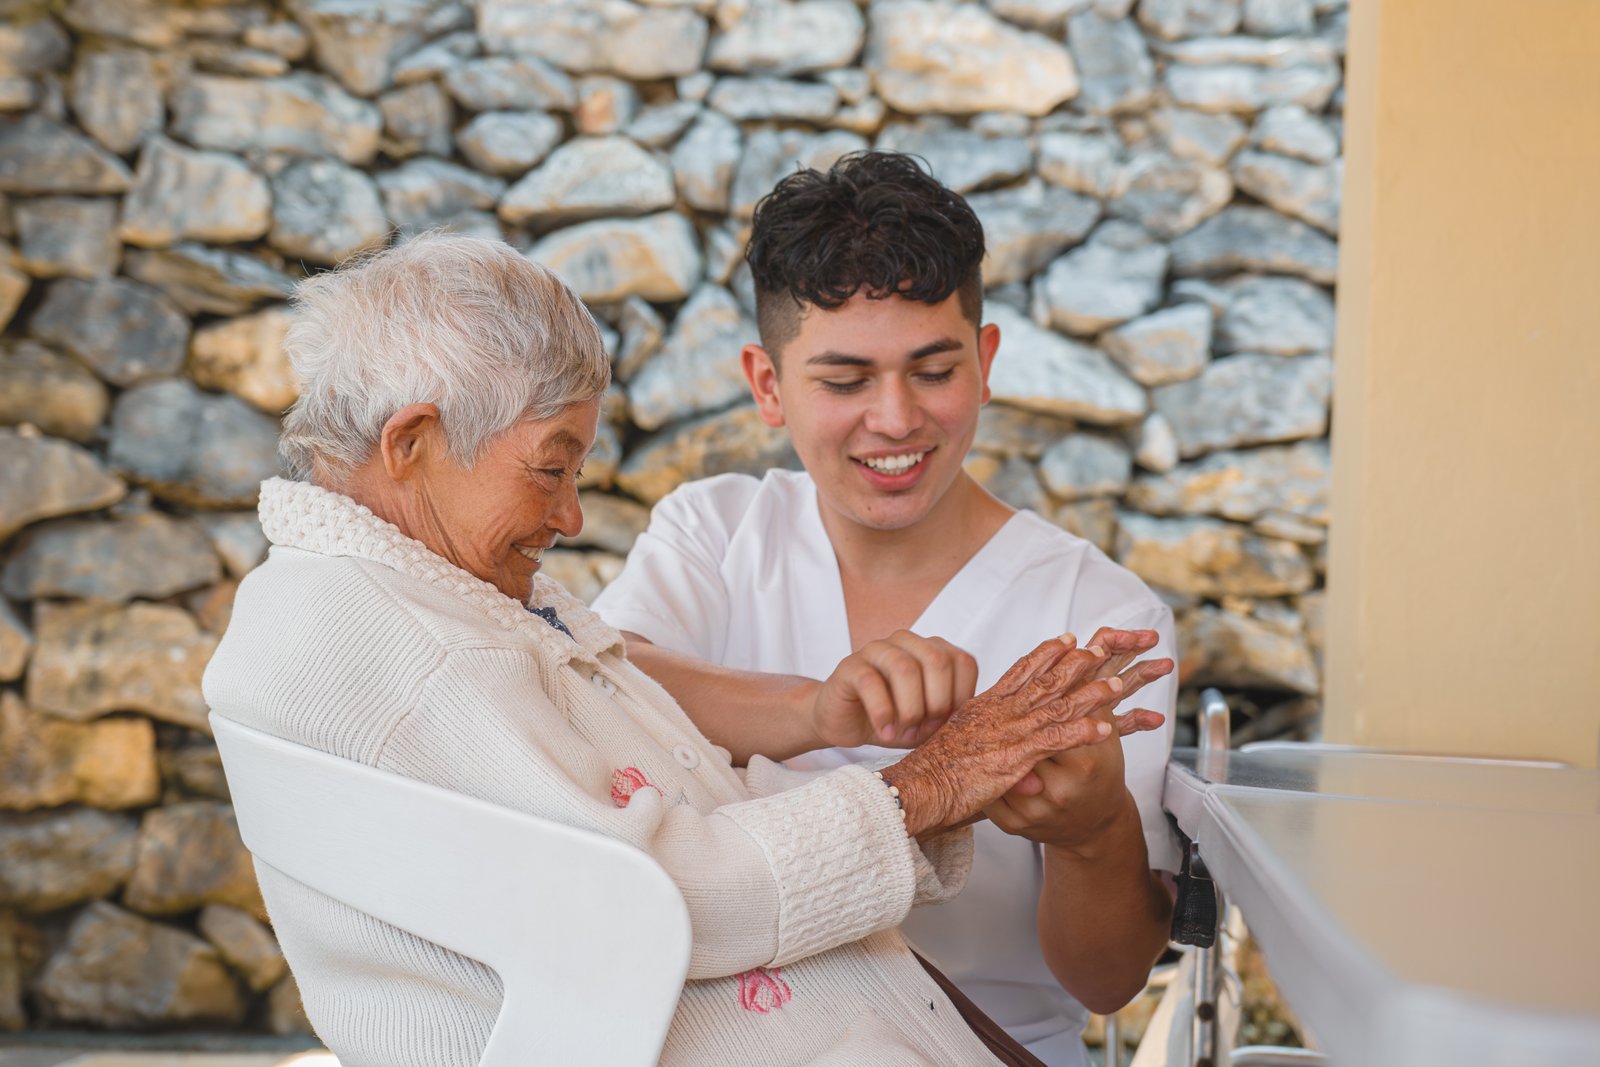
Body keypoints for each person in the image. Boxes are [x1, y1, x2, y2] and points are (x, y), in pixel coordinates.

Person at [201, 232, 1173, 1067]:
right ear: (410, 440)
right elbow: (662, 895)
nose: (572, 516)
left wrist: (1056, 814)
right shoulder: (424, 647)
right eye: (550, 468)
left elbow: (620, 718)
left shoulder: (410, 600)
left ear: (986, 359)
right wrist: (932, 779)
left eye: (932, 368)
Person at [592, 152, 1180, 1065]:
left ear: (984, 363)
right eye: (844, 380)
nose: (897, 418)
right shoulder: (712, 533)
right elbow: (602, 686)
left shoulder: (1093, 608)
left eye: (933, 369)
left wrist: (1093, 832)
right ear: (767, 384)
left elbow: (1105, 983)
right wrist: (816, 709)